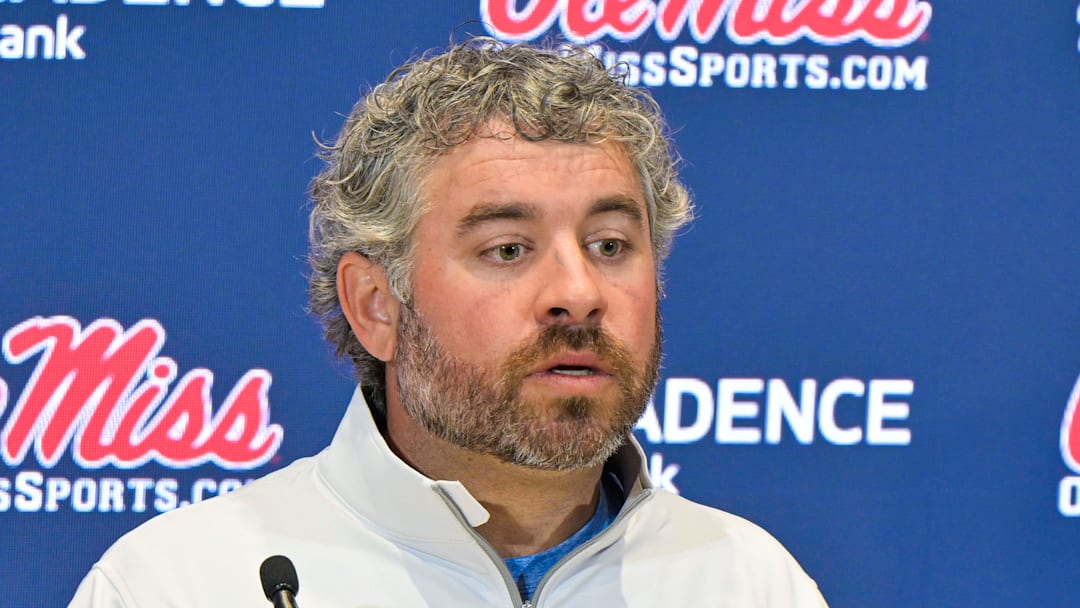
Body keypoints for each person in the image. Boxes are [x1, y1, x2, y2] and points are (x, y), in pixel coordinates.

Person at [69, 39, 828, 607]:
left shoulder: (747, 582)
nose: (578, 291)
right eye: (507, 248)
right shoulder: (179, 584)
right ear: (376, 305)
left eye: (610, 245)